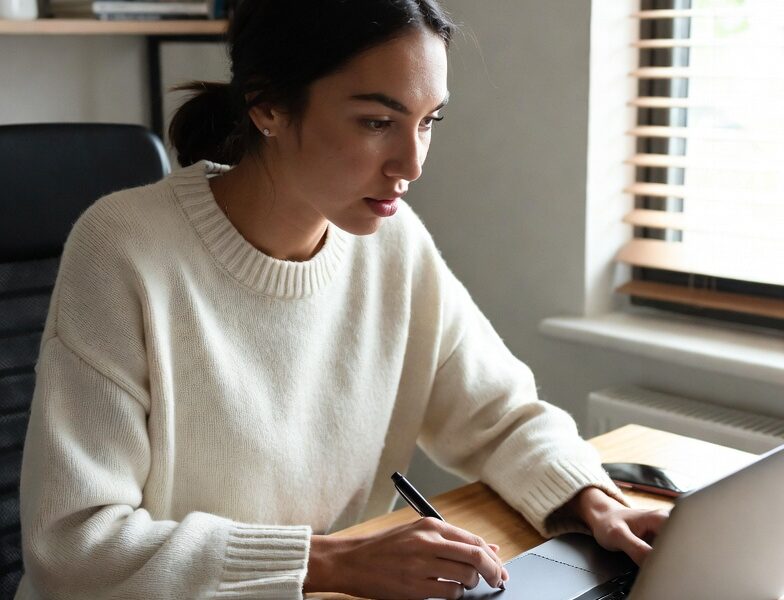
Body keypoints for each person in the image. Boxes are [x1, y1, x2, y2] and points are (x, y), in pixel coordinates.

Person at [16, 1, 668, 598]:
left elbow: (500, 416)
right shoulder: (125, 248)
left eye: (429, 121)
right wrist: (329, 561)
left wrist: (594, 498)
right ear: (267, 106)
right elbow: (75, 545)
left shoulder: (393, 245)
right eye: (378, 122)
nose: (411, 163)